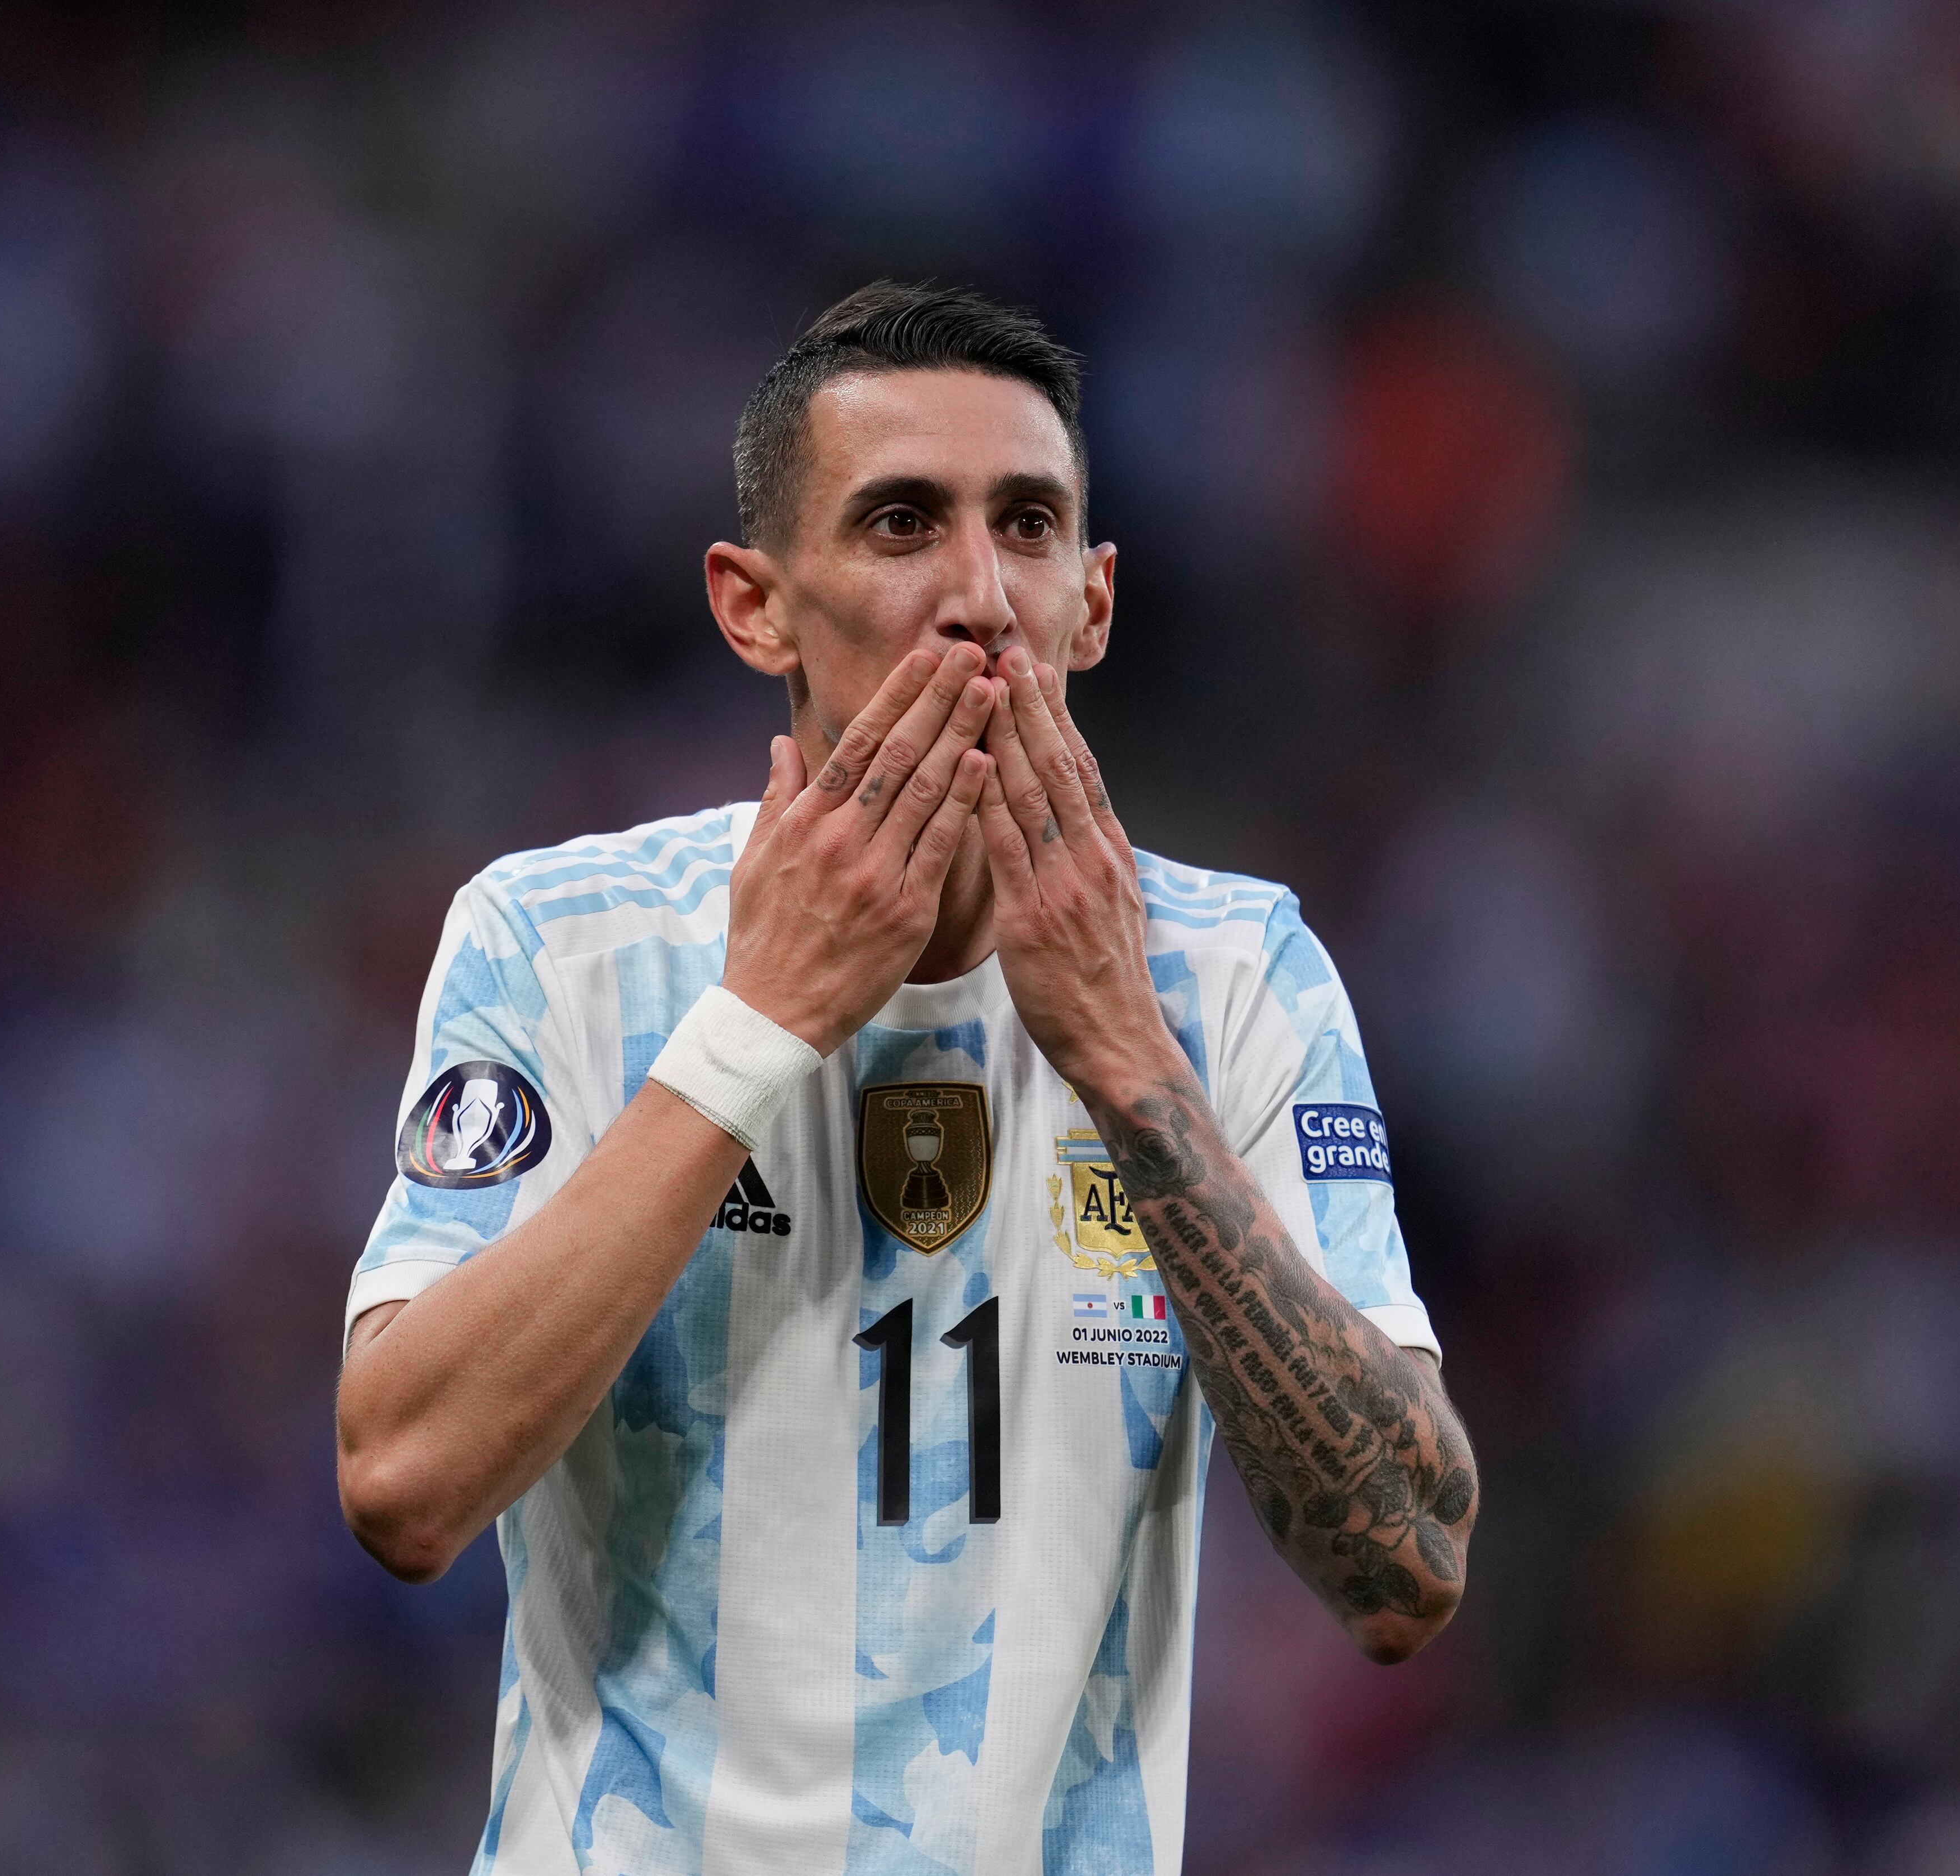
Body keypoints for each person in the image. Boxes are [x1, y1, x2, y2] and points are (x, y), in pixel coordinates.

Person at [334, 282, 1478, 1875]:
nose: (978, 595)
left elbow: (1409, 1566)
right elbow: (401, 1482)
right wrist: (764, 1022)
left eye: (1027, 527)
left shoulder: (1238, 978)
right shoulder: (564, 949)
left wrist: (1127, 1063)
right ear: (756, 606)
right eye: (898, 525)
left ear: (1093, 601)